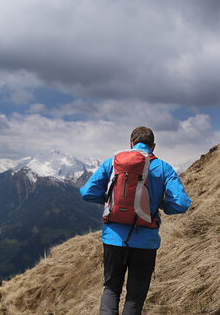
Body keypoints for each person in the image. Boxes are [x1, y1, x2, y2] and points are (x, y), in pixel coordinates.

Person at [80, 126, 191, 315]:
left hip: (113, 239)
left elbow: (87, 192)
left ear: (130, 143)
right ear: (153, 146)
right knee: (134, 298)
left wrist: (111, 201)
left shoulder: (112, 163)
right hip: (145, 244)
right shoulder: (164, 168)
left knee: (111, 289)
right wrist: (158, 205)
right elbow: (180, 203)